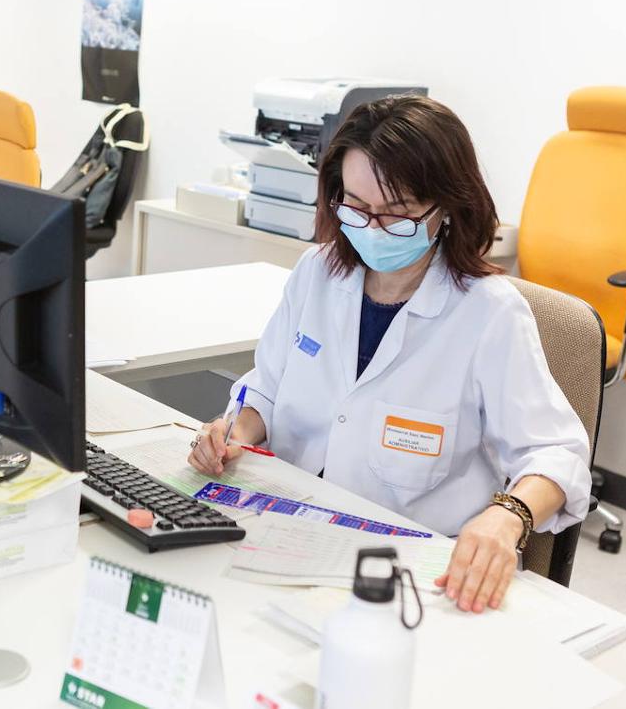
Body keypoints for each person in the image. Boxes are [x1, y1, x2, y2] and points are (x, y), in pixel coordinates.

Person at [188, 96, 591, 614]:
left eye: (397, 213)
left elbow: (557, 453)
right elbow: (267, 387)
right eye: (355, 206)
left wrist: (507, 514)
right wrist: (232, 432)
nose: (372, 228)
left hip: (407, 577)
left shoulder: (489, 314)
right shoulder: (317, 272)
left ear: (447, 207)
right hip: (287, 537)